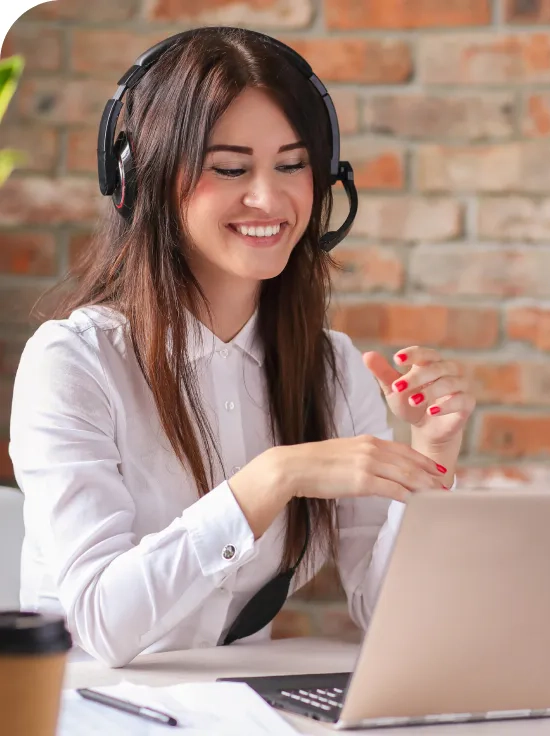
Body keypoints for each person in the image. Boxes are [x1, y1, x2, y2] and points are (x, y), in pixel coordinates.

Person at [9, 27, 475, 668]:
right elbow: (98, 622)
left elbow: (388, 613)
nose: (268, 197)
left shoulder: (333, 368)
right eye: (230, 169)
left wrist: (432, 456)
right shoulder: (75, 361)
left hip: (237, 707)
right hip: (87, 706)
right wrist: (270, 480)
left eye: (292, 165)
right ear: (138, 181)